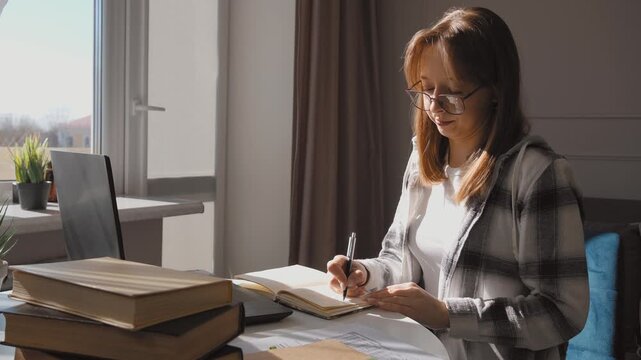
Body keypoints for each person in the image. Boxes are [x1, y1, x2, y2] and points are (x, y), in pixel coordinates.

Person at [326, 7, 588, 360]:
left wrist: (448, 314)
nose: (435, 106)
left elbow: (561, 312)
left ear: (495, 91)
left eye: (453, 93)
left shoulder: (536, 175)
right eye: (426, 90)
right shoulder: (423, 162)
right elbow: (400, 260)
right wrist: (365, 274)